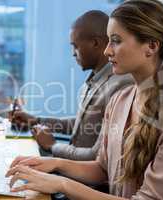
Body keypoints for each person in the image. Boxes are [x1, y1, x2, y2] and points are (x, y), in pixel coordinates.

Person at [6, 0, 163, 199]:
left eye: (115, 40)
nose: (107, 50)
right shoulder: (120, 100)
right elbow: (102, 168)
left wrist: (62, 183)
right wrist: (55, 163)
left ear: (151, 46)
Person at [10, 10, 133, 161]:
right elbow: (82, 126)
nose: (73, 53)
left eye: (76, 46)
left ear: (95, 43)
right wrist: (36, 121)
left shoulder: (122, 84)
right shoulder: (95, 79)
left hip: (88, 179)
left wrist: (53, 146)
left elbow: (99, 156)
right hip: (72, 167)